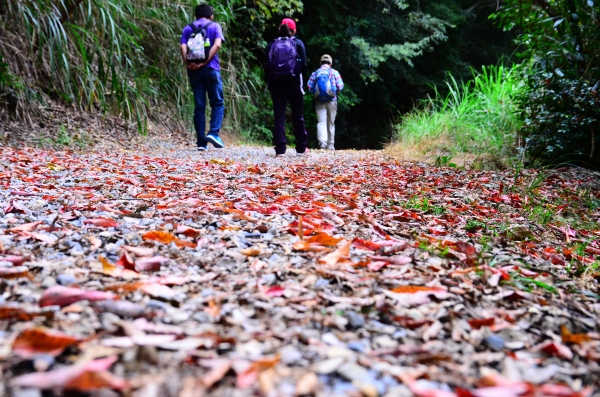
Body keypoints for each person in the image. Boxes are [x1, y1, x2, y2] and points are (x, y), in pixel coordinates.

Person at [180, 3, 225, 151]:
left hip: (193, 71)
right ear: (211, 15)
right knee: (217, 103)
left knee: (199, 106)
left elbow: (183, 47)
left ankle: (201, 143)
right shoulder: (214, 26)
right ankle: (213, 133)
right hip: (211, 69)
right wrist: (205, 62)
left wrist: (188, 63)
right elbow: (217, 44)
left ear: (196, 16)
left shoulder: (188, 28)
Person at [265, 18, 309, 157]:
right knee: (298, 115)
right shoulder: (298, 44)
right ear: (294, 30)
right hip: (294, 83)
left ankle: (280, 149)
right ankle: (301, 148)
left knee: (279, 115)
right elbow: (304, 66)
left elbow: (267, 65)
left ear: (279, 29)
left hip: (276, 84)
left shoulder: (272, 43)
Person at [307, 54, 344, 150]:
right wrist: (333, 92)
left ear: (320, 63)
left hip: (319, 101)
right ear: (331, 63)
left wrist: (317, 93)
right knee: (331, 122)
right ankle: (330, 145)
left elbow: (309, 87)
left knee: (321, 121)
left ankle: (322, 143)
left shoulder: (316, 73)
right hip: (332, 100)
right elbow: (340, 86)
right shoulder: (334, 72)